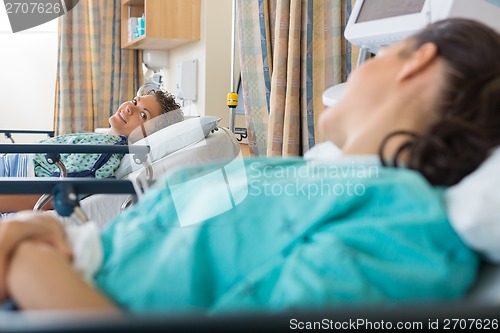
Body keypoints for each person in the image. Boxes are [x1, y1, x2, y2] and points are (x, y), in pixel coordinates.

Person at [0, 18, 499, 313]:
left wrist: (25, 255)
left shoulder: (405, 222)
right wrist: (44, 236)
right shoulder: (301, 175)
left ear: (416, 60)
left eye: (374, 57)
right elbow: (133, 242)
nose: (359, 68)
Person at [0, 89, 182, 213]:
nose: (129, 107)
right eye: (135, 101)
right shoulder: (103, 140)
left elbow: (54, 193)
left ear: (151, 136)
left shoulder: (106, 151)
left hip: (12, 175)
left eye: (143, 115)